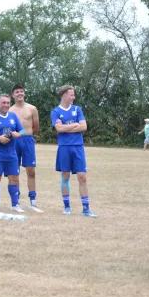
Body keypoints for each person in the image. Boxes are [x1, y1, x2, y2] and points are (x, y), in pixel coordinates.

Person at [51, 85, 98, 217]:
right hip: (64, 147)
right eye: (71, 94)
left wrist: (66, 127)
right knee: (65, 176)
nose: (73, 97)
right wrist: (73, 125)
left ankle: (86, 209)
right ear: (63, 95)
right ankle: (67, 207)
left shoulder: (77, 109)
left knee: (82, 177)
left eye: (74, 94)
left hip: (78, 147)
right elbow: (59, 129)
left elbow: (84, 126)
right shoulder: (55, 111)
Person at [0, 94, 26, 213]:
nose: (6, 105)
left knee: (14, 178)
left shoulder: (13, 116)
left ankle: (15, 204)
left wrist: (18, 134)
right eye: (3, 102)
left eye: (8, 103)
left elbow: (22, 130)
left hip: (11, 154)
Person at [9, 84, 43, 212]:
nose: (20, 94)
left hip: (28, 140)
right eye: (17, 92)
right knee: (14, 171)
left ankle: (33, 200)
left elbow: (36, 127)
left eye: (21, 91)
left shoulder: (32, 108)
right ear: (13, 95)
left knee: (31, 170)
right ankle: (16, 199)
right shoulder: (10, 110)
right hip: (15, 141)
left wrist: (29, 137)